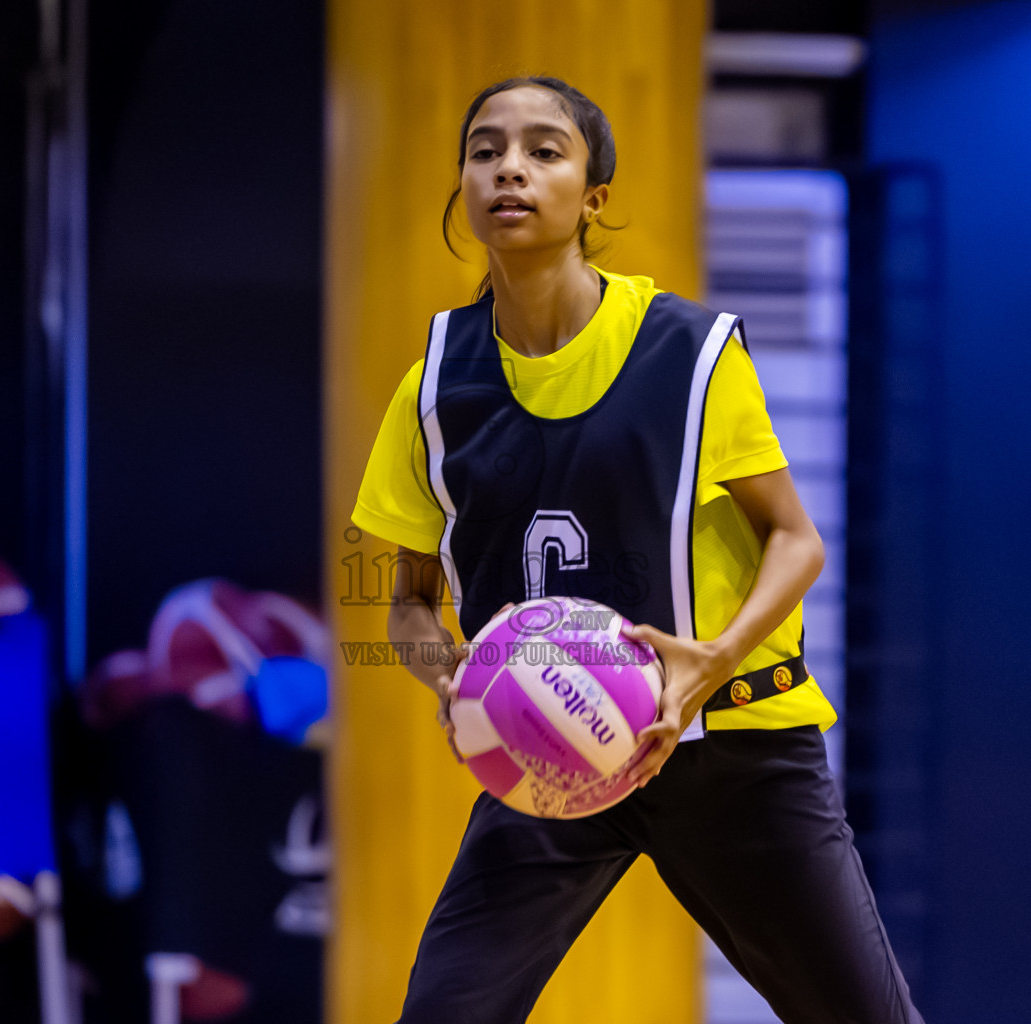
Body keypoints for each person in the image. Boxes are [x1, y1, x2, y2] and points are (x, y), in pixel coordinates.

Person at [351, 75, 923, 1024]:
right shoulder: (432, 388)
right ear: (461, 183)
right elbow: (406, 601)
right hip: (551, 752)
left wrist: (707, 664)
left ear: (594, 195)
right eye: (486, 150)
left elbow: (797, 540)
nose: (510, 170)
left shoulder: (690, 354)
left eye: (544, 150)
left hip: (731, 743)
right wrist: (449, 676)